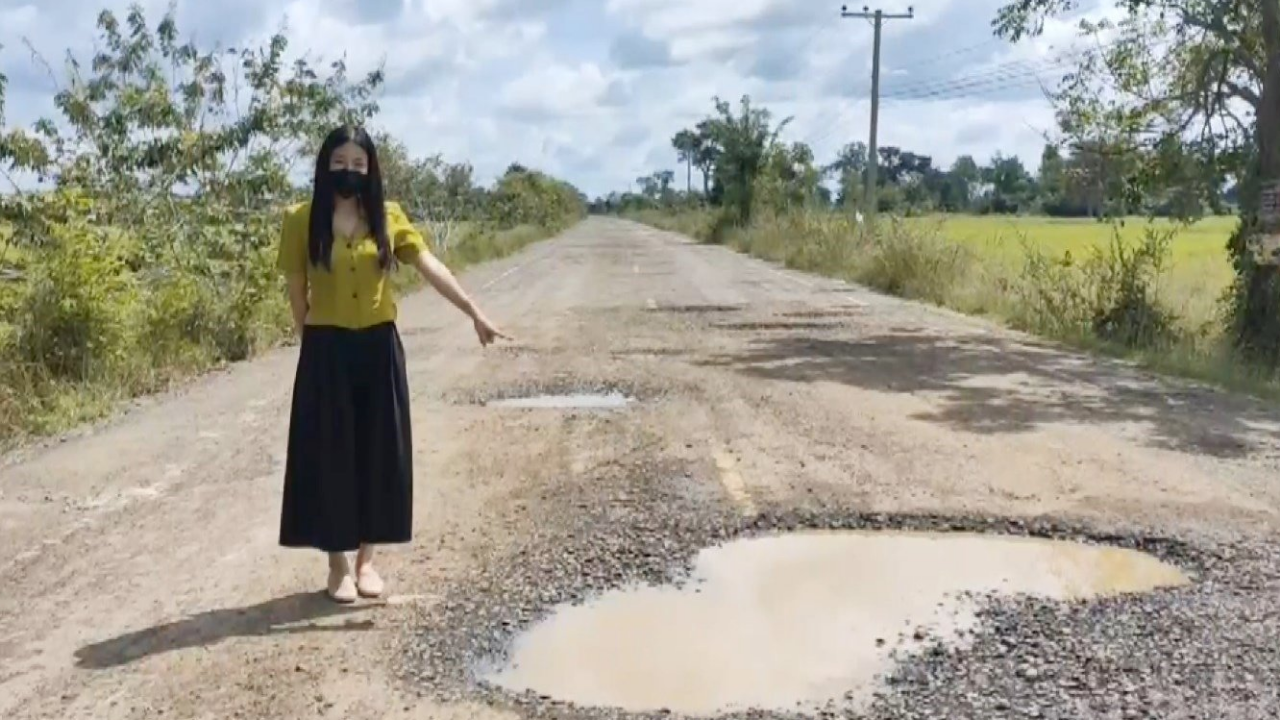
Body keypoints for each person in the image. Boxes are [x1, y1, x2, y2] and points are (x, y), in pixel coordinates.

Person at [275, 125, 508, 603]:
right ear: (325, 165)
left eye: (358, 164)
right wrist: (311, 345)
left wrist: (473, 311)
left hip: (378, 349)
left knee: (378, 453)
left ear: (371, 169)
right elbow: (297, 292)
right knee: (330, 457)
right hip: (326, 351)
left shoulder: (388, 216)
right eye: (340, 162)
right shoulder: (300, 220)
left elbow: (429, 266)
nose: (349, 171)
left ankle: (367, 562)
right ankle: (337, 565)